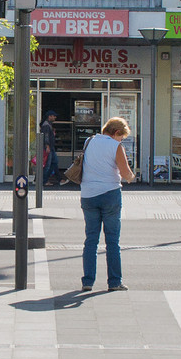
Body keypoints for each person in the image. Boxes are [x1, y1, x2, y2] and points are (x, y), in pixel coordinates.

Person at [76, 116, 136, 292]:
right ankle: (114, 282)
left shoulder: (89, 141)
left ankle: (87, 281)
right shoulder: (116, 146)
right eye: (122, 137)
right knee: (112, 241)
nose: (121, 140)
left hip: (88, 195)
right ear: (116, 132)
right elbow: (125, 173)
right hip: (110, 194)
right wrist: (133, 177)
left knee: (91, 240)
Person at [39, 112, 61, 186]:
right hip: (48, 147)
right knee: (48, 165)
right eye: (54, 116)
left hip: (51, 147)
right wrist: (47, 146)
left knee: (54, 162)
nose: (55, 117)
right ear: (49, 116)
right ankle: (44, 180)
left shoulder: (48, 125)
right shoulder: (46, 125)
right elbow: (46, 136)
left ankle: (57, 179)